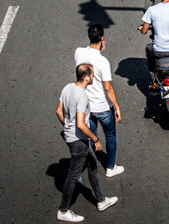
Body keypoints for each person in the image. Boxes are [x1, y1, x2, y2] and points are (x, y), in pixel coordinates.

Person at [56, 64, 118, 222]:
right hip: (78, 141)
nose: (93, 77)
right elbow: (81, 124)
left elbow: (58, 111)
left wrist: (67, 127)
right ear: (86, 77)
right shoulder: (82, 96)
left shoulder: (67, 88)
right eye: (92, 75)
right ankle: (63, 210)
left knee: (92, 165)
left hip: (72, 137)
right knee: (73, 175)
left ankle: (101, 200)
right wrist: (96, 139)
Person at [74, 24, 124, 178]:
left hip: (86, 105)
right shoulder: (103, 62)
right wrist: (116, 107)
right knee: (110, 135)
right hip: (102, 107)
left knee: (90, 136)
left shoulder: (78, 52)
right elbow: (107, 87)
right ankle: (110, 167)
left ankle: (91, 164)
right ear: (102, 38)